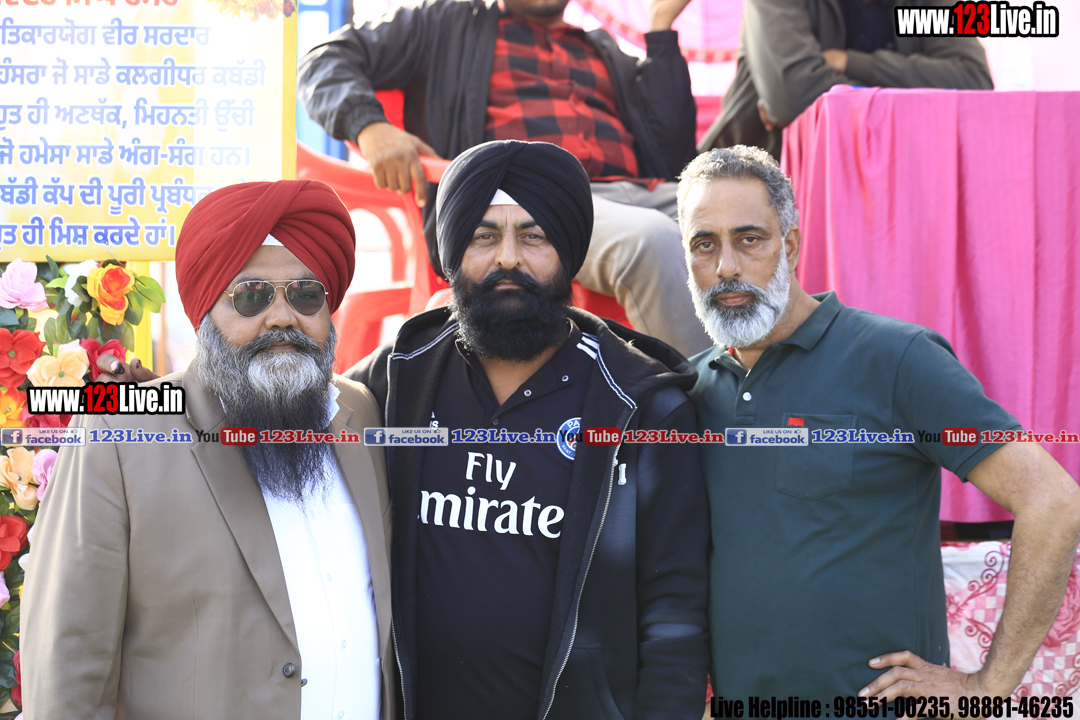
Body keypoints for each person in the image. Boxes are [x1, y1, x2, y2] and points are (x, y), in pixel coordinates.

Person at [679, 146, 1080, 701]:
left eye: (749, 239)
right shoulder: (687, 391)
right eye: (704, 244)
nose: (726, 266)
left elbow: (1052, 501)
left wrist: (988, 686)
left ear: (790, 245)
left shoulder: (898, 359)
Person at [347, 140, 710, 720]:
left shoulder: (642, 407)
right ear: (452, 251)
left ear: (569, 252)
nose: (508, 259)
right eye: (483, 236)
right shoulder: (399, 378)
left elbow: (675, 614)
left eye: (534, 236)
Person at [22, 180, 396, 720]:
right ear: (205, 310)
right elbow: (68, 664)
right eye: (251, 296)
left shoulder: (360, 412)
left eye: (305, 294)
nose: (282, 317)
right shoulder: (117, 428)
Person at [296, 0, 714, 358]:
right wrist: (370, 127)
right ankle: (706, 406)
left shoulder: (602, 49)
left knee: (744, 218)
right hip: (531, 200)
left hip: (645, 191)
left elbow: (672, 149)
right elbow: (324, 60)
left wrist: (660, 27)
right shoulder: (446, 23)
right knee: (651, 240)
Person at [701, 0, 994, 159]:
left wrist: (850, 63)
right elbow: (794, 99)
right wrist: (908, 98)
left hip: (894, 175)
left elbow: (974, 80)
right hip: (766, 183)